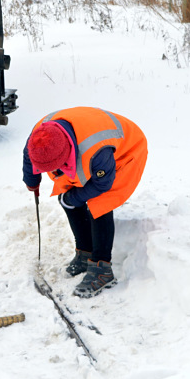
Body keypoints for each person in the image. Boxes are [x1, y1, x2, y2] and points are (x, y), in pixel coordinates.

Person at [22, 107, 147, 298]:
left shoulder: (97, 149)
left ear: (66, 154)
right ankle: (85, 252)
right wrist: (32, 181)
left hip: (125, 153)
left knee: (100, 204)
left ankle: (102, 269)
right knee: (67, 198)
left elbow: (103, 184)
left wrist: (75, 197)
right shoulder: (41, 134)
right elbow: (28, 156)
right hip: (85, 149)